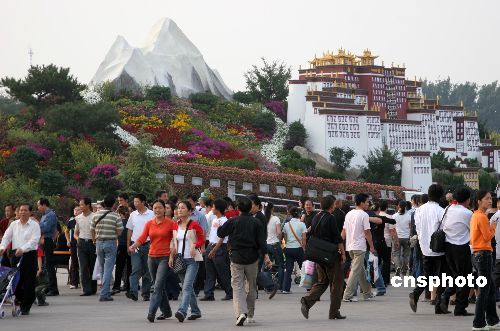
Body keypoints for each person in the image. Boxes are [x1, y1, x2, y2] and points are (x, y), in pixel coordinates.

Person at [217, 196, 272, 326]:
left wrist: (221, 224)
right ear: (250, 208)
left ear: (237, 208)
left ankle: (241, 312)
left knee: (237, 286)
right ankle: (250, 315)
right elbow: (262, 242)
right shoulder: (256, 223)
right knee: (251, 286)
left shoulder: (233, 221)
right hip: (252, 258)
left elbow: (220, 233)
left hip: (236, 257)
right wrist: (265, 255)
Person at [129, 200, 175, 323]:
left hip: (165, 257)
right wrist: (134, 245)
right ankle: (166, 311)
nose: (157, 210)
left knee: (157, 286)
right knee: (159, 286)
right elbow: (143, 237)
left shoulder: (171, 224)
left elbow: (175, 241)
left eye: (160, 208)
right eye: (155, 208)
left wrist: (172, 255)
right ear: (152, 209)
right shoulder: (149, 223)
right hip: (151, 257)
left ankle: (151, 312)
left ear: (164, 209)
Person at [301, 196, 346, 319]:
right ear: (332, 205)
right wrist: (342, 253)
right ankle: (334, 312)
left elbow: (310, 231)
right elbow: (338, 238)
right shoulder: (330, 218)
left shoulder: (317, 216)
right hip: (330, 255)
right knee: (337, 283)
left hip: (318, 255)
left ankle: (307, 300)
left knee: (323, 281)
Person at [409, 184, 448, 314]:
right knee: (441, 278)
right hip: (438, 249)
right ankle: (438, 306)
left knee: (427, 276)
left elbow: (418, 228)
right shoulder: (441, 211)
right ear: (440, 196)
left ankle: (415, 293)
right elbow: (444, 229)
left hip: (424, 247)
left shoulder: (419, 210)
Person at [0, 203, 41, 315]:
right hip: (15, 255)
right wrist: (2, 247)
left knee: (29, 281)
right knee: (16, 280)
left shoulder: (34, 225)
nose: (23, 212)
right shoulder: (14, 224)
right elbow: (6, 237)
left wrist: (22, 248)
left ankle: (26, 305)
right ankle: (18, 301)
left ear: (30, 212)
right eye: (21, 210)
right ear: (18, 212)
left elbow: (34, 241)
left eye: (25, 210)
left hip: (29, 254)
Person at [440, 187, 474, 316]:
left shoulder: (448, 209)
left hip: (448, 247)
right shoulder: (467, 213)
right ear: (468, 199)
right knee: (465, 278)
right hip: (461, 247)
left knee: (456, 276)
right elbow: (472, 231)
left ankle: (446, 294)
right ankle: (460, 307)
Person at [170, 200, 205, 322]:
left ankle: (182, 311)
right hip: (179, 259)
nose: (179, 210)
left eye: (183, 208)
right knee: (187, 288)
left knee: (186, 286)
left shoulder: (194, 225)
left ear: (190, 211)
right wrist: (171, 256)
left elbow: (202, 239)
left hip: (192, 260)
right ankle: (195, 311)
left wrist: (195, 245)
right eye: (178, 208)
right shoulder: (175, 224)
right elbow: (173, 242)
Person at [471, 190, 499, 330]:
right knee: (485, 289)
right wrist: (493, 226)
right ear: (479, 201)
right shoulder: (481, 217)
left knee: (490, 288)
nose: (490, 201)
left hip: (479, 253)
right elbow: (487, 237)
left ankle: (493, 320)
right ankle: (478, 323)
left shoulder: (477, 215)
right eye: (486, 199)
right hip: (483, 253)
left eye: (490, 198)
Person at [342, 193, 376, 302]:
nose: (368, 204)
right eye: (367, 202)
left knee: (360, 270)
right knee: (355, 271)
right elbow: (367, 232)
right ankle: (347, 295)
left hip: (349, 246)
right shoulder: (364, 215)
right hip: (359, 247)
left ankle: (367, 293)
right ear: (361, 203)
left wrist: (339, 244)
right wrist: (371, 246)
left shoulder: (349, 214)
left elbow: (344, 231)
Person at [91, 195, 123, 302]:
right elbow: (119, 232)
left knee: (103, 268)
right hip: (111, 242)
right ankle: (104, 294)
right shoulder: (116, 216)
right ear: (113, 204)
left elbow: (92, 229)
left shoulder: (96, 214)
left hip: (99, 242)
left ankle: (105, 292)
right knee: (108, 269)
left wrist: (94, 240)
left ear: (104, 203)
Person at [202, 199, 233, 301]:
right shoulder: (215, 220)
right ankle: (209, 293)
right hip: (210, 245)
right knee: (209, 271)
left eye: (214, 207)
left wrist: (214, 249)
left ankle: (229, 292)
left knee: (222, 271)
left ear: (218, 209)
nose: (212, 209)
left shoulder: (224, 221)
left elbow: (222, 237)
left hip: (219, 247)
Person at [126, 194, 154, 302]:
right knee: (136, 268)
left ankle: (145, 293)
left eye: (137, 202)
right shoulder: (133, 214)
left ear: (143, 202)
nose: (135, 204)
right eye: (134, 202)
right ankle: (133, 291)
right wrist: (129, 244)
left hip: (148, 245)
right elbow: (129, 230)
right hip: (135, 245)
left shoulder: (151, 214)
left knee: (147, 270)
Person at [75, 198, 97, 296]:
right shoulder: (78, 218)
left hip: (92, 243)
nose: (80, 207)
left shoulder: (95, 216)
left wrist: (95, 241)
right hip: (81, 243)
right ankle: (86, 289)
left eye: (82, 205)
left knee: (92, 266)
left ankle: (93, 288)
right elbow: (76, 233)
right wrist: (79, 239)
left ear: (88, 205)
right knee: (83, 266)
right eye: (80, 205)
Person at [37, 198, 59, 296]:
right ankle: (48, 286)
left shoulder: (50, 215)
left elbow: (46, 228)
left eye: (39, 205)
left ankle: (53, 289)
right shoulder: (44, 215)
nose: (38, 208)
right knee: (46, 265)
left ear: (44, 205)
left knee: (49, 265)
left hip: (48, 241)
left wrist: (37, 224)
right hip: (44, 241)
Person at [282, 206, 306, 293]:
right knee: (303, 268)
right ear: (299, 214)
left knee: (288, 269)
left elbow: (285, 238)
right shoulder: (302, 224)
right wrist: (304, 248)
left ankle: (286, 288)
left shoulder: (286, 225)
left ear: (290, 214)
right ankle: (308, 287)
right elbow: (304, 239)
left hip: (289, 248)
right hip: (299, 248)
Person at [264, 202, 284, 291]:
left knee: (268, 265)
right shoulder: (276, 218)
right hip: (275, 244)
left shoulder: (263, 219)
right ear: (272, 209)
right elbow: (279, 232)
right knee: (280, 265)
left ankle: (269, 286)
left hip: (266, 245)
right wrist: (279, 241)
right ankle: (279, 286)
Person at [112, 206, 131, 295]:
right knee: (129, 267)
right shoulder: (130, 223)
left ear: (120, 214)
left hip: (120, 246)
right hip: (130, 245)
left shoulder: (118, 223)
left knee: (119, 267)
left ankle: (116, 286)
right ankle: (128, 286)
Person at [393, 200, 412, 276]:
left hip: (397, 237)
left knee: (396, 254)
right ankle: (404, 270)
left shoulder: (394, 216)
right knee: (406, 255)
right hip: (406, 237)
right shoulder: (409, 216)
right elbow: (411, 228)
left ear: (398, 206)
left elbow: (393, 229)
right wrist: (410, 237)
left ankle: (398, 266)